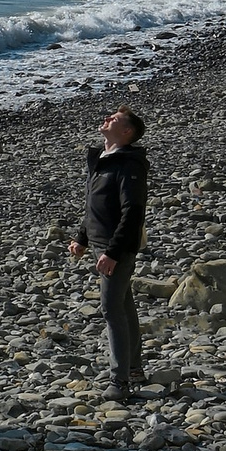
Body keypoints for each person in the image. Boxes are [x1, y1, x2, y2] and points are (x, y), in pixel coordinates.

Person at [67, 106, 149, 402]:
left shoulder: (129, 165)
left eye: (113, 119)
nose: (106, 119)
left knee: (111, 309)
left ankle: (120, 381)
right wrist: (82, 237)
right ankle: (134, 369)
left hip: (117, 248)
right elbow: (95, 205)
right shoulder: (102, 160)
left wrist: (112, 253)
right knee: (124, 306)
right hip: (102, 246)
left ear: (126, 132)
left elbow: (132, 212)